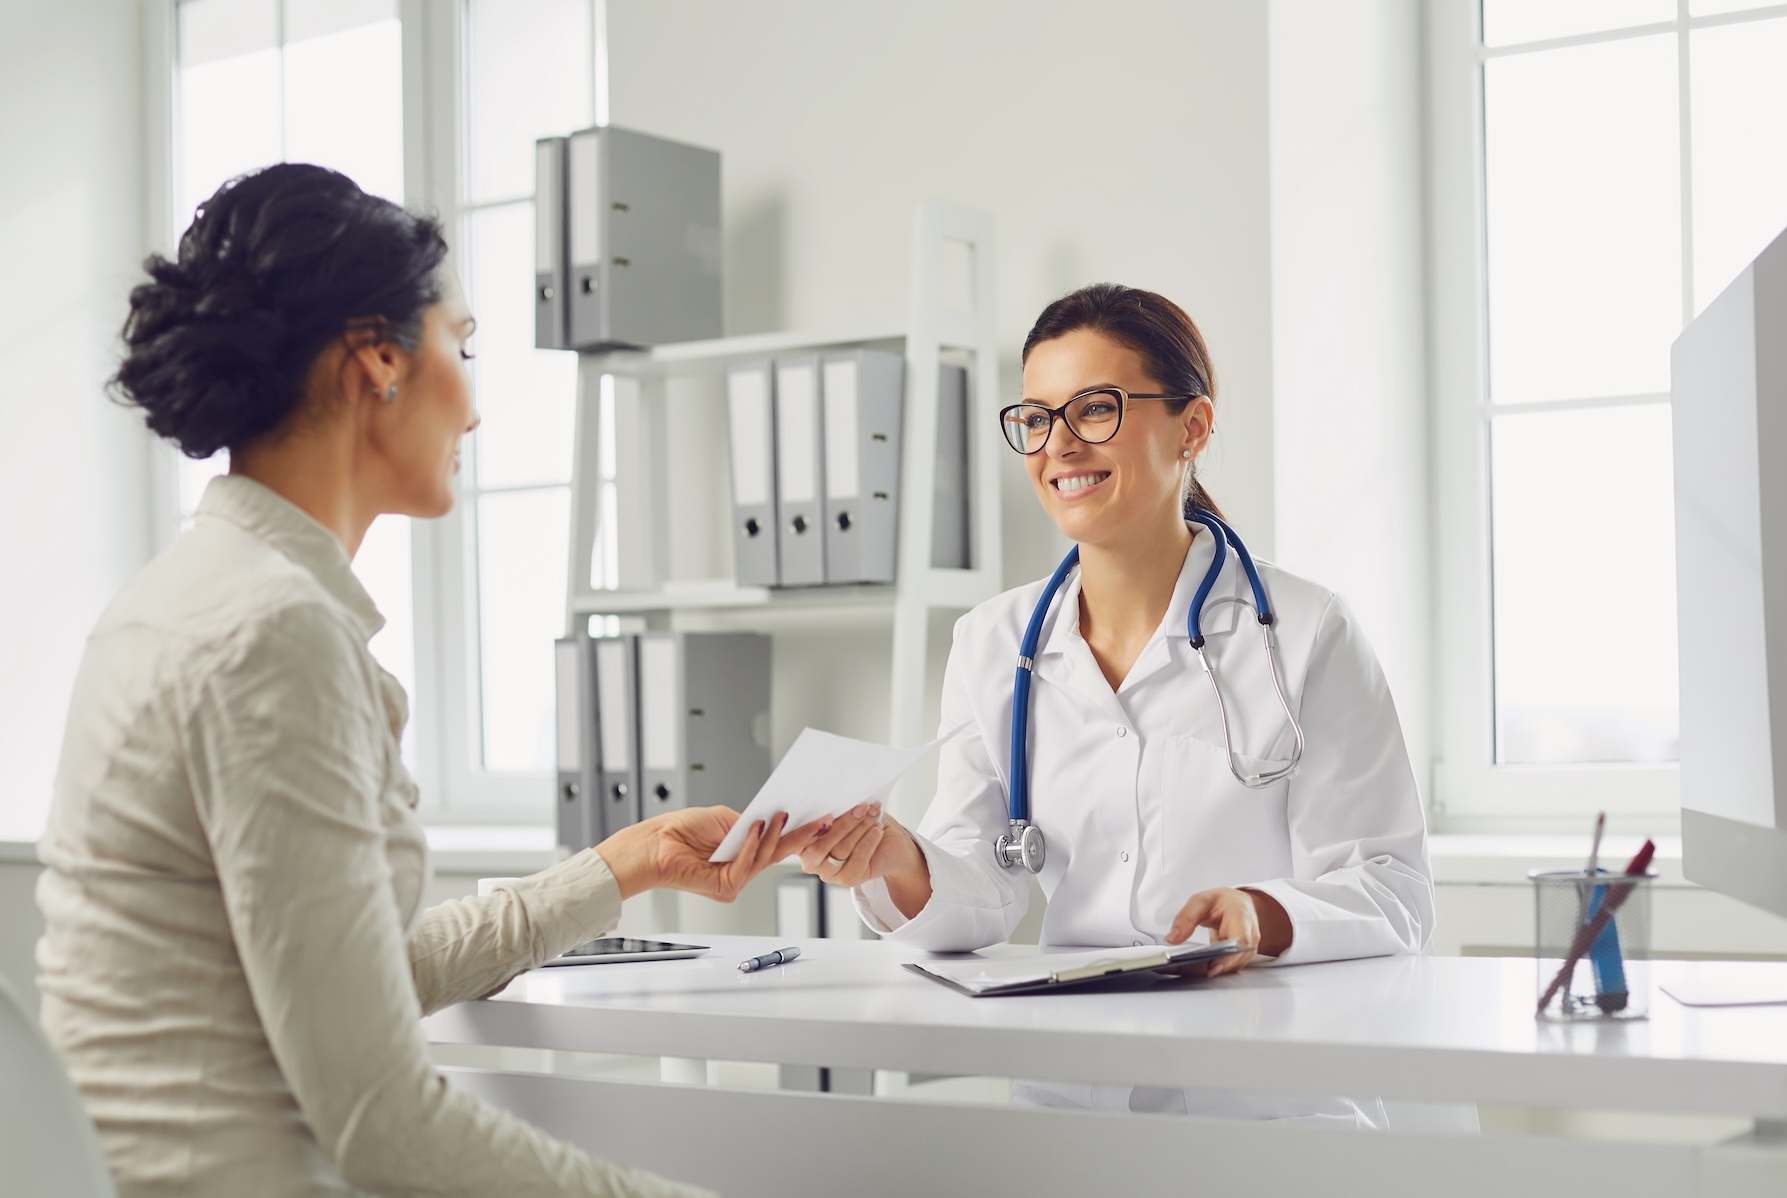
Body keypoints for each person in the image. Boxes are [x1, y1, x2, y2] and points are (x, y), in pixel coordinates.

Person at [34, 163, 816, 1197]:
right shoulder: (273, 636)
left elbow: (362, 984)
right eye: (464, 343)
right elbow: (381, 1119)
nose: (477, 408)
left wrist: (614, 870)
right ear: (377, 362)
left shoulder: (183, 596)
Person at [799, 283, 1434, 1125]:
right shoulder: (995, 642)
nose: (1057, 444)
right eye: (1035, 417)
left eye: (1094, 410)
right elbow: (983, 879)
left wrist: (1263, 913)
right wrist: (893, 858)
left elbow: (1392, 890)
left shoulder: (1306, 633)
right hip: (1074, 1096)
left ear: (1192, 427)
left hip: (1275, 1102)